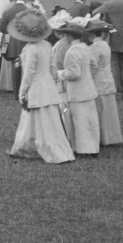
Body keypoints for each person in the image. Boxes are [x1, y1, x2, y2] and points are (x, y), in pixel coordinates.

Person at [8, 10, 75, 164]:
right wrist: (52, 84)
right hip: (48, 87)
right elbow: (53, 68)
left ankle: (47, 151)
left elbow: (28, 74)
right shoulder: (47, 45)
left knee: (37, 120)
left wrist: (22, 93)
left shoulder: (31, 48)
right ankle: (27, 148)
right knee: (46, 121)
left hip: (36, 88)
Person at [56, 21, 100, 157]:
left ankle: (84, 150)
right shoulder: (86, 48)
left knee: (80, 122)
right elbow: (95, 65)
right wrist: (88, 76)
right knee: (90, 120)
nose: (64, 38)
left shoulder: (72, 52)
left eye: (65, 35)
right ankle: (92, 148)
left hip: (77, 92)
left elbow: (74, 74)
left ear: (70, 36)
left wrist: (60, 74)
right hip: (88, 89)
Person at [86, 20, 123, 145]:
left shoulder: (94, 48)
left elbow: (93, 66)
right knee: (109, 109)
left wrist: (87, 75)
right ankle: (113, 136)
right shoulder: (105, 45)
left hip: (98, 80)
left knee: (101, 109)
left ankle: (104, 138)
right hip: (107, 78)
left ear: (91, 34)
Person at [0, 0, 30, 97]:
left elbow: (2, 28)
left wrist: (11, 32)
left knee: (15, 69)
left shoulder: (8, 11)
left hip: (12, 44)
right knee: (26, 69)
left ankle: (16, 94)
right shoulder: (29, 11)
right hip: (26, 44)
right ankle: (25, 93)